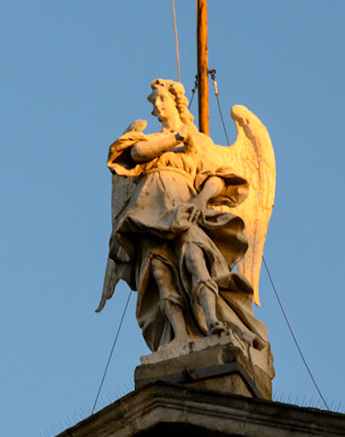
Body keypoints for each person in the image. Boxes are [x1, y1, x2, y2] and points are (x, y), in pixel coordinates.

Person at [97, 79, 268, 357]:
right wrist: (176, 137)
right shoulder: (151, 140)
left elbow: (218, 177)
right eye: (154, 101)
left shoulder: (198, 141)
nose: (156, 106)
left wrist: (201, 200)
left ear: (176, 102)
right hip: (149, 213)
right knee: (159, 273)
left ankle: (212, 322)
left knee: (195, 258)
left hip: (185, 208)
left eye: (161, 99)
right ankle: (178, 336)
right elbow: (134, 154)